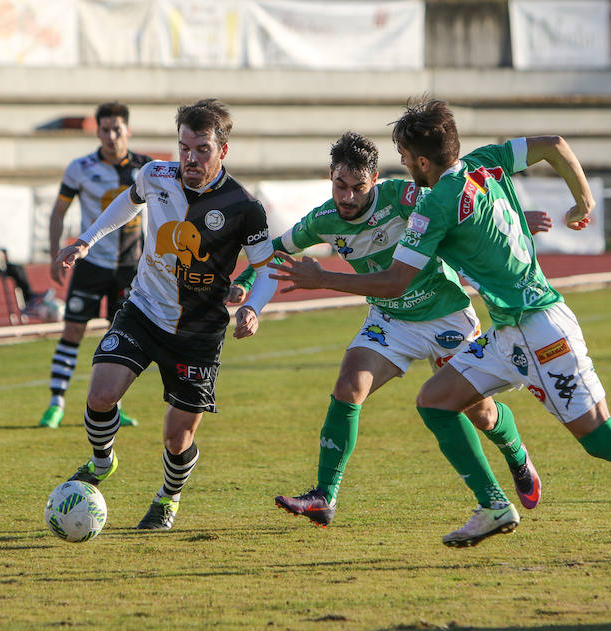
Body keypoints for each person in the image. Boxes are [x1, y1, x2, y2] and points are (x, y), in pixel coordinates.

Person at [269, 97, 611, 558]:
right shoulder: (486, 161)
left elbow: (395, 282)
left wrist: (321, 278)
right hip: (508, 329)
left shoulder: (434, 206)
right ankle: (493, 505)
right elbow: (553, 143)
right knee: (435, 401)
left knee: (602, 437)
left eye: (402, 157)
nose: (402, 164)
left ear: (418, 160)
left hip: (541, 326)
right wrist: (582, 201)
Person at [231, 131, 551, 536]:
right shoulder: (323, 220)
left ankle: (516, 453)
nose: (347, 197)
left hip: (445, 316)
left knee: (481, 413)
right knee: (349, 385)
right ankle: (324, 497)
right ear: (331, 177)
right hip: (390, 320)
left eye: (357, 188)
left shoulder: (404, 198)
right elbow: (276, 247)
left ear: (375, 179)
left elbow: (461, 207)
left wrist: (518, 221)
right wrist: (243, 281)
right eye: (340, 186)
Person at [56, 98, 277, 530]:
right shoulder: (155, 174)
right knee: (101, 395)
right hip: (143, 310)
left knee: (177, 438)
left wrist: (252, 305)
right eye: (184, 148)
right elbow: (129, 201)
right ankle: (103, 463)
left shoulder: (243, 207)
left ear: (222, 151)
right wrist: (86, 240)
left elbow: (267, 268)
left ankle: (168, 497)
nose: (190, 159)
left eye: (201, 150)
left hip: (198, 331)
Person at [38, 102, 153, 429]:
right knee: (73, 330)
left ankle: (114, 405)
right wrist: (53, 254)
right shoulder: (80, 167)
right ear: (98, 131)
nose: (111, 136)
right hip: (92, 264)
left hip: (130, 268)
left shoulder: (146, 168)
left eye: (117, 129)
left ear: (128, 130)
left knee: (121, 336)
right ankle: (56, 403)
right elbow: (59, 212)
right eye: (105, 129)